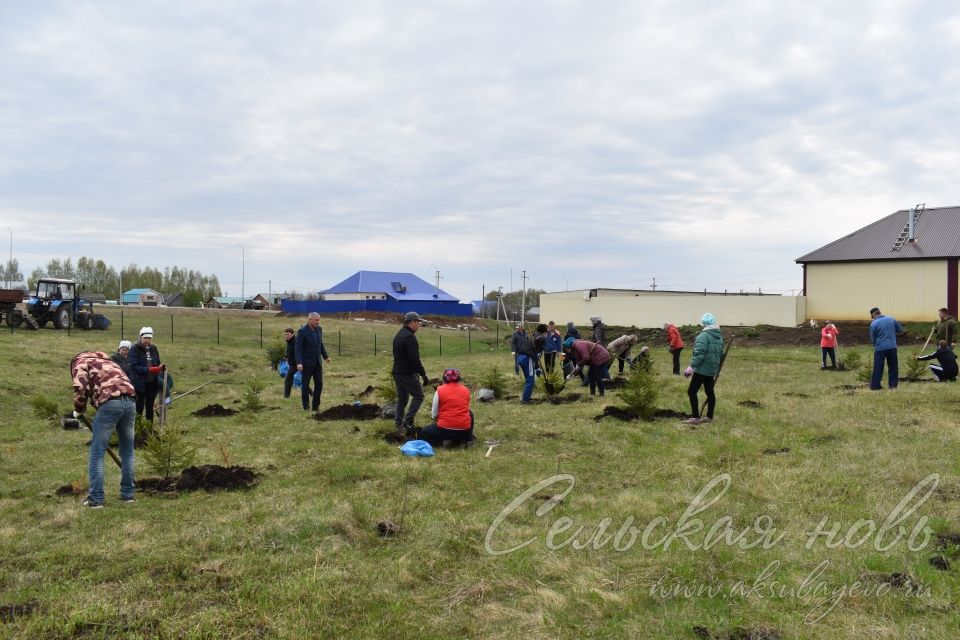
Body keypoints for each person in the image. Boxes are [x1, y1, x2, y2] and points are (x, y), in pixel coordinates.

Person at [71, 351, 137, 508]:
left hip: (110, 403)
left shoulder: (80, 362)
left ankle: (96, 498)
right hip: (130, 401)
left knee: (97, 452)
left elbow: (80, 388)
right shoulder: (110, 362)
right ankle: (128, 495)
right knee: (127, 451)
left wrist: (79, 409)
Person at [683, 313, 724, 425]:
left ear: (704, 323)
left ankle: (695, 417)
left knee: (691, 391)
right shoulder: (719, 337)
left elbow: (699, 354)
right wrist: (717, 369)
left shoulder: (703, 336)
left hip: (702, 369)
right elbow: (720, 354)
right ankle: (709, 416)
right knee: (710, 392)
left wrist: (691, 367)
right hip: (711, 370)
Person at [393, 311, 429, 433]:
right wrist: (423, 374)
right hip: (407, 373)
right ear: (412, 322)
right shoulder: (409, 337)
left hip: (397, 372)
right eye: (418, 322)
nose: (419, 325)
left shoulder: (399, 335)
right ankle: (408, 422)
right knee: (419, 396)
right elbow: (414, 359)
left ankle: (398, 424)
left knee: (402, 400)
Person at [420, 368, 475, 448]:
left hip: (445, 429)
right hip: (464, 430)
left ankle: (443, 441)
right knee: (470, 413)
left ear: (444, 379)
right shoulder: (466, 390)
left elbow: (434, 413)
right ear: (458, 378)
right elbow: (466, 408)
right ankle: (468, 439)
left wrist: (437, 420)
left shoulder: (439, 390)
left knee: (425, 431)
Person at [295, 312, 331, 411]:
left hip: (317, 363)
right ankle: (306, 406)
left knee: (319, 384)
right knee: (305, 386)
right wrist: (299, 362)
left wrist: (325, 356)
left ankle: (316, 406)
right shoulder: (302, 332)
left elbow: (320, 344)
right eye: (316, 320)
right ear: (310, 319)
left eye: (319, 320)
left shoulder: (319, 329)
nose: (318, 322)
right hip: (306, 364)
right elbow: (298, 349)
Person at [128, 327, 164, 422]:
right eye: (145, 338)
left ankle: (149, 427)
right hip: (139, 382)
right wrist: (149, 370)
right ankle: (137, 427)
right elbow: (133, 366)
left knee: (150, 405)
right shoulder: (134, 349)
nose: (147, 340)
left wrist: (160, 367)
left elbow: (157, 362)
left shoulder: (153, 348)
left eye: (149, 338)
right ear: (140, 337)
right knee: (139, 406)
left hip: (152, 382)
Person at [869, 307, 903, 390]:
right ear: (880, 312)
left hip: (880, 348)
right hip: (892, 347)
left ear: (873, 315)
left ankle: (875, 386)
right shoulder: (891, 319)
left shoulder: (874, 324)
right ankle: (893, 386)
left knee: (878, 367)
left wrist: (876, 345)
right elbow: (900, 330)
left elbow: (873, 338)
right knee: (893, 366)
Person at [512, 323, 540, 403]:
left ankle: (526, 397)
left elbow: (530, 343)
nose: (517, 329)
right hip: (520, 352)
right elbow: (513, 343)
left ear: (522, 328)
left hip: (526, 351)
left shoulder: (526, 334)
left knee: (529, 378)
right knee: (529, 379)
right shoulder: (515, 334)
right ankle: (526, 399)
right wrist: (513, 351)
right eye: (517, 328)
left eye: (519, 327)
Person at [282, 327, 297, 399]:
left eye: (288, 334)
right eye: (285, 334)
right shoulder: (289, 341)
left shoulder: (296, 341)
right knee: (301, 380)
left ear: (292, 334)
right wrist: (286, 356)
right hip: (292, 364)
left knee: (288, 380)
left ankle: (286, 397)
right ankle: (311, 392)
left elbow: (298, 352)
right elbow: (290, 351)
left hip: (297, 364)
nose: (286, 336)